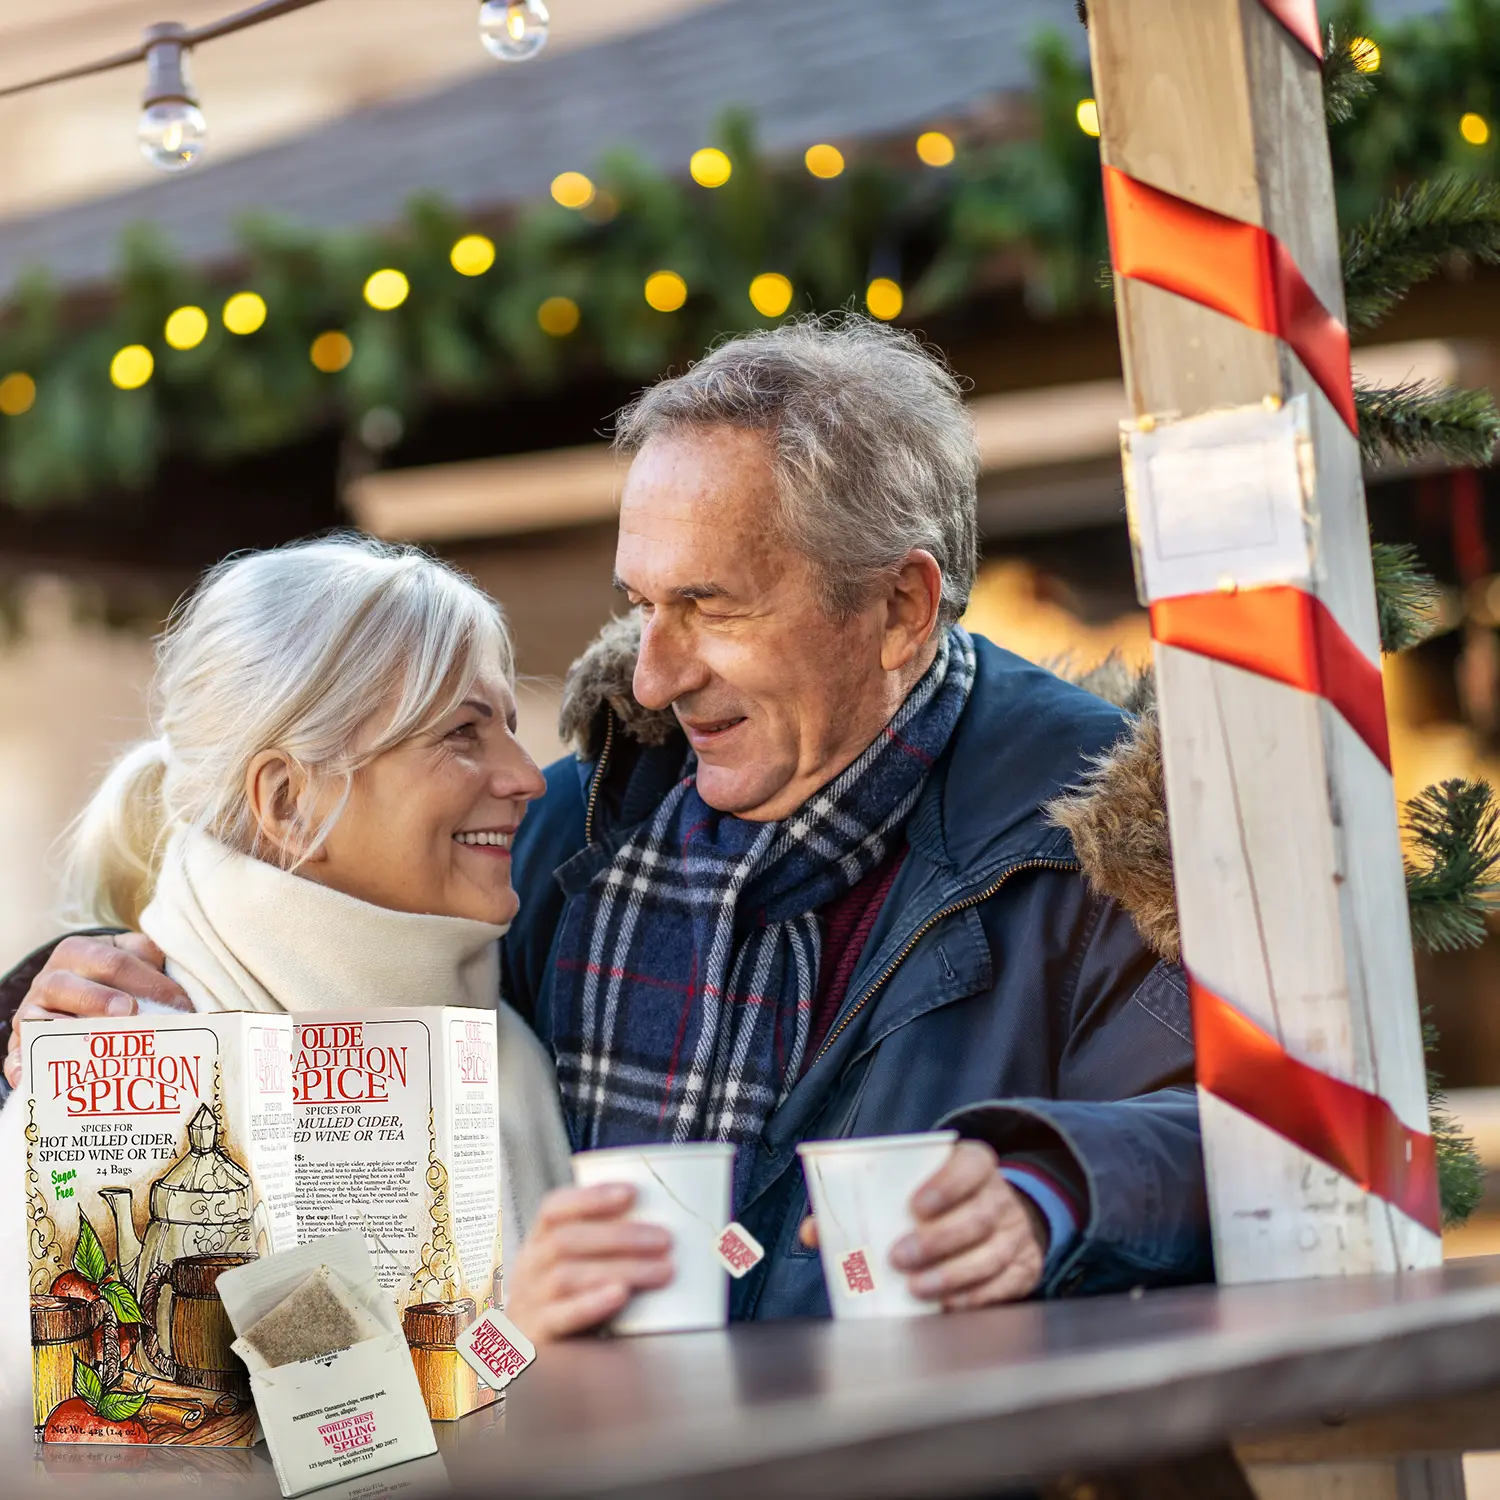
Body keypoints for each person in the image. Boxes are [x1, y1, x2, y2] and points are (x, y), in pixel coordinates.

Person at [5, 317, 1210, 1339]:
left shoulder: (1105, 833)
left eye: (711, 605)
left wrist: (1053, 1189)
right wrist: (38, 1022)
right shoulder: (574, 843)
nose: (651, 677)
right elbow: (244, 1402)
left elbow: (1277, 1131)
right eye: (640, 604)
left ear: (900, 605)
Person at [0, 537, 573, 1401]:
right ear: (288, 804)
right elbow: (113, 1448)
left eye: (510, 728)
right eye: (461, 733)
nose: (528, 777)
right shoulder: (127, 1076)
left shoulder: (509, 1049)